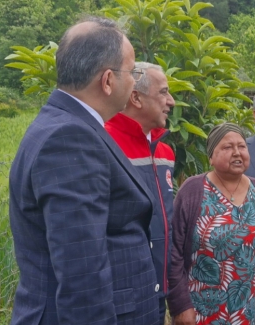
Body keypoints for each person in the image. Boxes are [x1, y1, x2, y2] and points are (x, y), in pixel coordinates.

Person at [9, 16, 160, 324]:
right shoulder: (70, 138)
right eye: (132, 72)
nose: (134, 81)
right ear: (107, 80)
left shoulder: (67, 125)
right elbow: (82, 272)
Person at [167, 123, 255, 325]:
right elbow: (174, 251)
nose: (237, 152)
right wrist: (180, 305)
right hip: (201, 310)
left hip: (246, 310)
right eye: (227, 147)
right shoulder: (193, 190)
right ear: (211, 156)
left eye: (242, 146)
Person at [105, 62, 176, 324]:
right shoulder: (105, 142)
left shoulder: (164, 152)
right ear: (135, 97)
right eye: (163, 92)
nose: (171, 101)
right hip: (121, 296)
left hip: (157, 291)